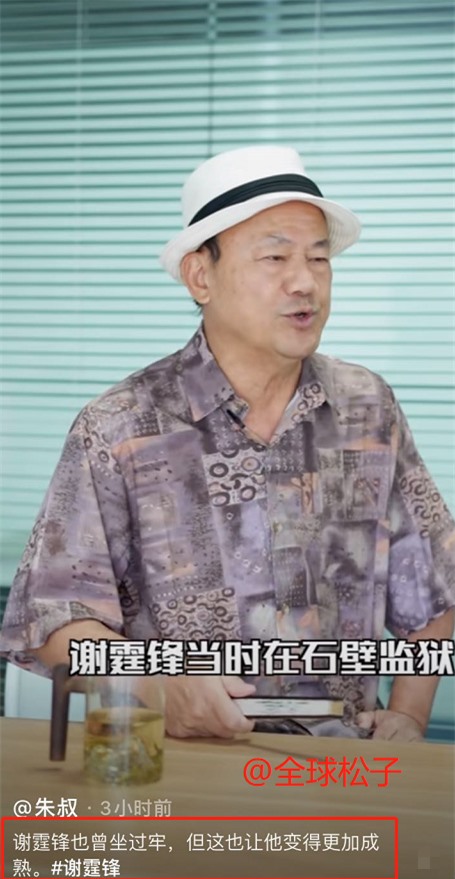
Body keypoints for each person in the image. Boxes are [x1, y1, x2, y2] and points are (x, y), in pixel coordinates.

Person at [1, 145, 454, 741]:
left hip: (341, 767)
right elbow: (54, 621)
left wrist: (408, 714)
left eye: (319, 258)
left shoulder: (367, 408)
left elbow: (435, 587)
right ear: (201, 276)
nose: (305, 282)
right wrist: (156, 686)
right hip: (179, 764)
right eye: (275, 257)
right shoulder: (119, 425)